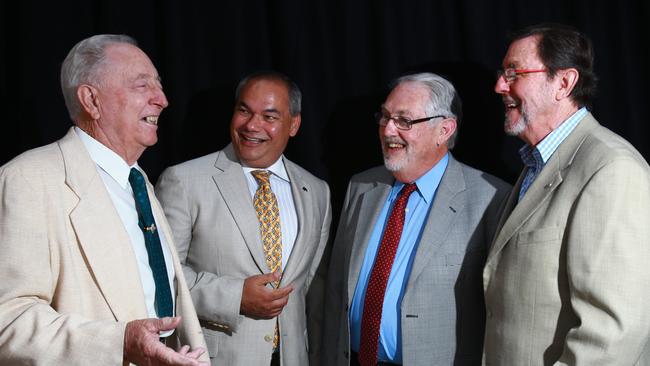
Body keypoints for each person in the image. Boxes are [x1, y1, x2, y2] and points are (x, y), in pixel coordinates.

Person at [0, 35, 208, 365]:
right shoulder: (28, 179)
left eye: (159, 85)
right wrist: (121, 343)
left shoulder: (139, 183)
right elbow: (9, 320)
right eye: (143, 86)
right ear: (91, 100)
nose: (163, 100)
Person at [483, 23, 650, 365]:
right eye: (503, 72)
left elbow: (613, 333)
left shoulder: (611, 168)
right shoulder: (536, 164)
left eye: (514, 72)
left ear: (564, 83)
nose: (500, 85)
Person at [321, 72, 511, 366]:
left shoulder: (492, 198)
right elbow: (335, 289)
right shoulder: (361, 186)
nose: (387, 131)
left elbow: (503, 311)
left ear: (444, 130)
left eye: (404, 121)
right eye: (384, 117)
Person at [155, 71, 331, 365]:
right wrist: (235, 296)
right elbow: (161, 279)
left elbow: (312, 291)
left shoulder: (316, 191)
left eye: (270, 117)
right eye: (244, 110)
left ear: (294, 125)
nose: (252, 125)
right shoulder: (184, 181)